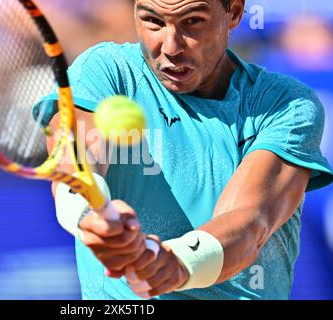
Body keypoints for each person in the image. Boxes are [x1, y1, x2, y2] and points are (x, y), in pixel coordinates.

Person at [38, 0, 333, 299]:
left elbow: (250, 222)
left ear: (234, 12)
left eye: (192, 22)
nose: (170, 46)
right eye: (153, 21)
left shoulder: (287, 104)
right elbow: (74, 155)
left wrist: (178, 263)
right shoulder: (104, 71)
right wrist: (88, 214)